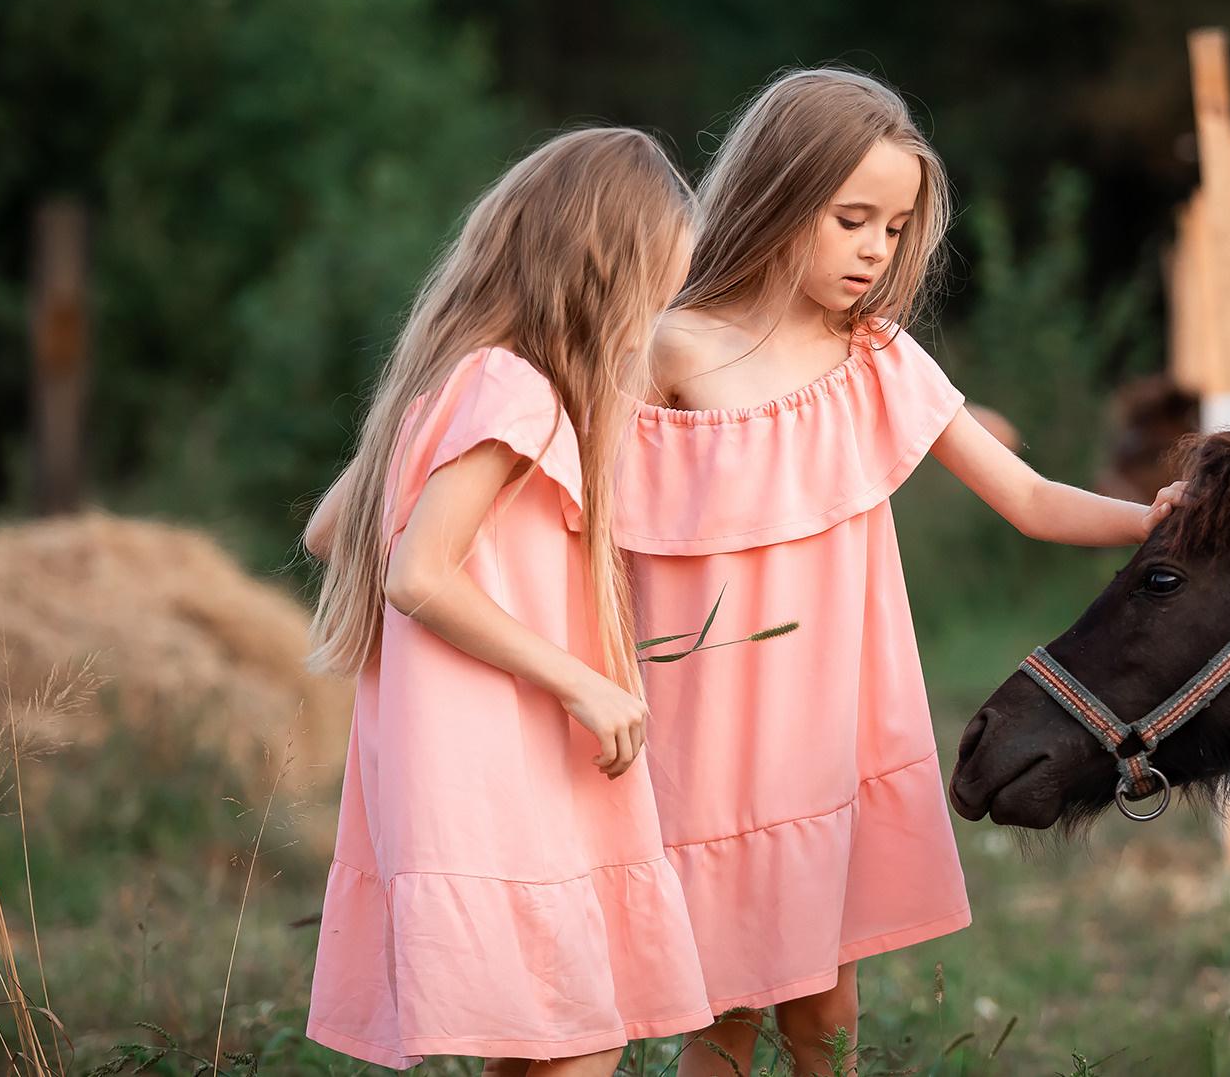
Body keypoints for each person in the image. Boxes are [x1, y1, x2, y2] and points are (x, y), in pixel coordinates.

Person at [619, 70, 1182, 1077]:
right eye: (852, 220)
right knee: (724, 1002)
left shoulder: (872, 355)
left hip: (824, 724)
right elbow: (587, 508)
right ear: (779, 192)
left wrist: (1151, 521)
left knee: (824, 999)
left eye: (893, 227)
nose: (876, 249)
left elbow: (1027, 495)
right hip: (707, 728)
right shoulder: (670, 348)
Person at [303, 127, 714, 1075]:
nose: (653, 323)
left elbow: (333, 529)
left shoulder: (460, 376)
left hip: (462, 760)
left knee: (538, 1039)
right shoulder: (514, 389)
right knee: (583, 1037)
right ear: (603, 275)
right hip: (498, 753)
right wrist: (581, 679)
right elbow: (417, 572)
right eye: (654, 294)